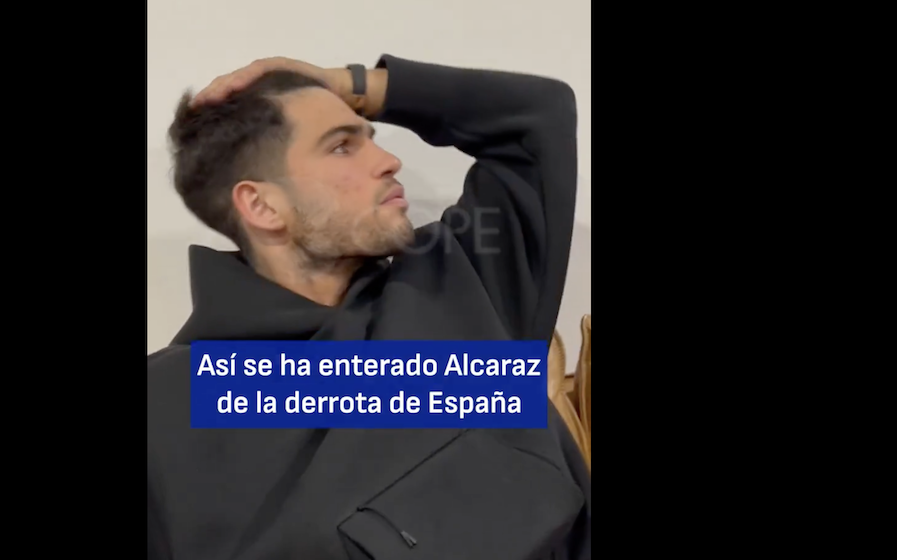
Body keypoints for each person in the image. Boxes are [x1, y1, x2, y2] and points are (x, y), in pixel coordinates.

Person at [148, 54, 590, 560]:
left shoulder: (459, 281)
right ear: (263, 206)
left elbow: (538, 116)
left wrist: (347, 84)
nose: (388, 161)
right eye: (341, 146)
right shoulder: (172, 403)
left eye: (370, 138)